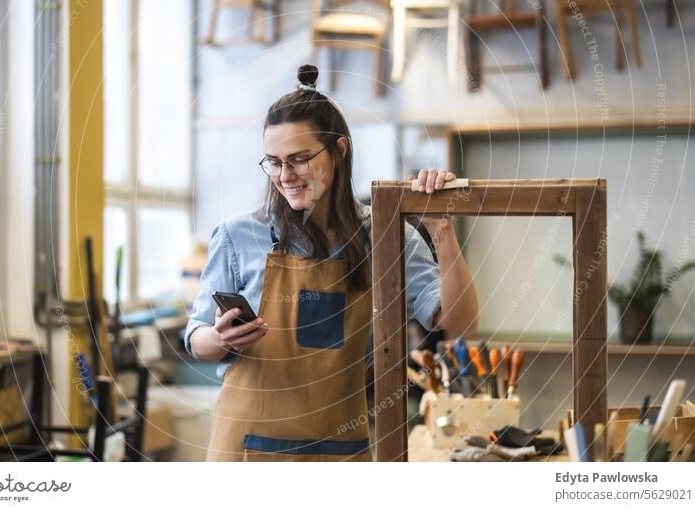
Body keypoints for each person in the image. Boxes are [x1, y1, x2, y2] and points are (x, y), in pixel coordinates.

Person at [185, 64, 479, 461]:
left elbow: (460, 323)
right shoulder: (237, 235)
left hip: (339, 450)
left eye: (299, 159)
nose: (285, 175)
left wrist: (441, 230)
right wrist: (219, 339)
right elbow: (197, 337)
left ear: (339, 150)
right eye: (274, 161)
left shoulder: (384, 235)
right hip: (244, 451)